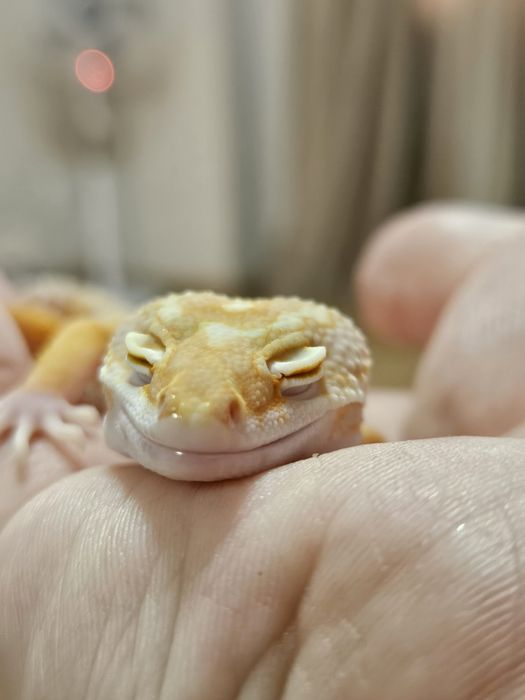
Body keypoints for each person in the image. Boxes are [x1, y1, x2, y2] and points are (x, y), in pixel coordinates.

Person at [0, 204, 524, 699]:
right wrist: (38, 395)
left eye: (294, 378)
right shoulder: (124, 340)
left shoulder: (365, 448)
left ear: (349, 404)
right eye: (145, 367)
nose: (198, 420)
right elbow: (90, 331)